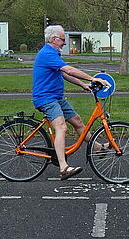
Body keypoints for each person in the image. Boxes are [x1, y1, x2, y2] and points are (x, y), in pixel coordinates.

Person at [32, 25, 109, 180]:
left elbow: (64, 74)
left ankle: (98, 148)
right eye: (62, 39)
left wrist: (82, 85)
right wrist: (92, 78)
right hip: (46, 98)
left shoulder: (54, 54)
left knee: (78, 122)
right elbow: (69, 70)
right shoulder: (47, 54)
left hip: (56, 98)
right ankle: (63, 167)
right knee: (61, 127)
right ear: (54, 40)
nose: (65, 43)